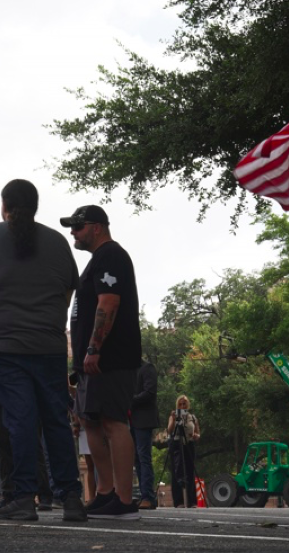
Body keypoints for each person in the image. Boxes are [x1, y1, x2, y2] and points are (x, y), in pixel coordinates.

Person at [0, 178, 86, 522]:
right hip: (48, 344)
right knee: (56, 420)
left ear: (4, 206)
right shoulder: (58, 242)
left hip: (3, 345)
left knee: (20, 419)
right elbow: (67, 294)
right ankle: (71, 497)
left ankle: (23, 498)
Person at [63, 204, 141, 520]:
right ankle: (105, 493)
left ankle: (124, 499)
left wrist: (94, 348)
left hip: (110, 358)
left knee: (112, 422)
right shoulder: (97, 261)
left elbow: (109, 302)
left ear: (96, 227)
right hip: (90, 363)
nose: (73, 233)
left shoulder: (111, 255)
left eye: (78, 227)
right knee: (91, 422)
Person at [130, 360, 160, 510]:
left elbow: (149, 392)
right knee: (137, 459)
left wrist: (129, 400)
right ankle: (144, 495)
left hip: (143, 419)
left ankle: (148, 496)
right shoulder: (129, 370)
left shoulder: (147, 368)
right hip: (131, 420)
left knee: (144, 458)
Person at [167, 395, 200, 508]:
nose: (182, 406)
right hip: (176, 444)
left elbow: (198, 433)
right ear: (177, 405)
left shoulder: (193, 417)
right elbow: (169, 430)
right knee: (177, 471)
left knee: (190, 472)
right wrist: (173, 418)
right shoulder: (173, 416)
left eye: (184, 404)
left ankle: (191, 501)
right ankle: (179, 501)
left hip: (189, 444)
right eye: (180, 404)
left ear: (188, 405)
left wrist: (195, 435)